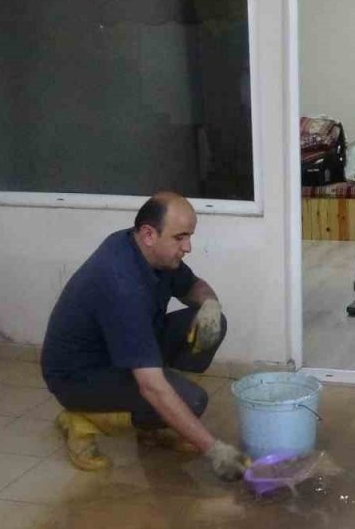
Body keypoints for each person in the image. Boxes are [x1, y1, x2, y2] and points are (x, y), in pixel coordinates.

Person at [40, 192, 248, 480]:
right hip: (81, 376)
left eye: (189, 236)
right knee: (191, 401)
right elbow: (152, 386)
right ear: (149, 234)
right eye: (180, 238)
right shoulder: (120, 284)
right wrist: (215, 451)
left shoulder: (146, 250)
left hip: (121, 348)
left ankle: (157, 426)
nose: (188, 246)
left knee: (210, 324)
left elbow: (193, 286)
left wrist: (211, 304)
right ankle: (82, 419)